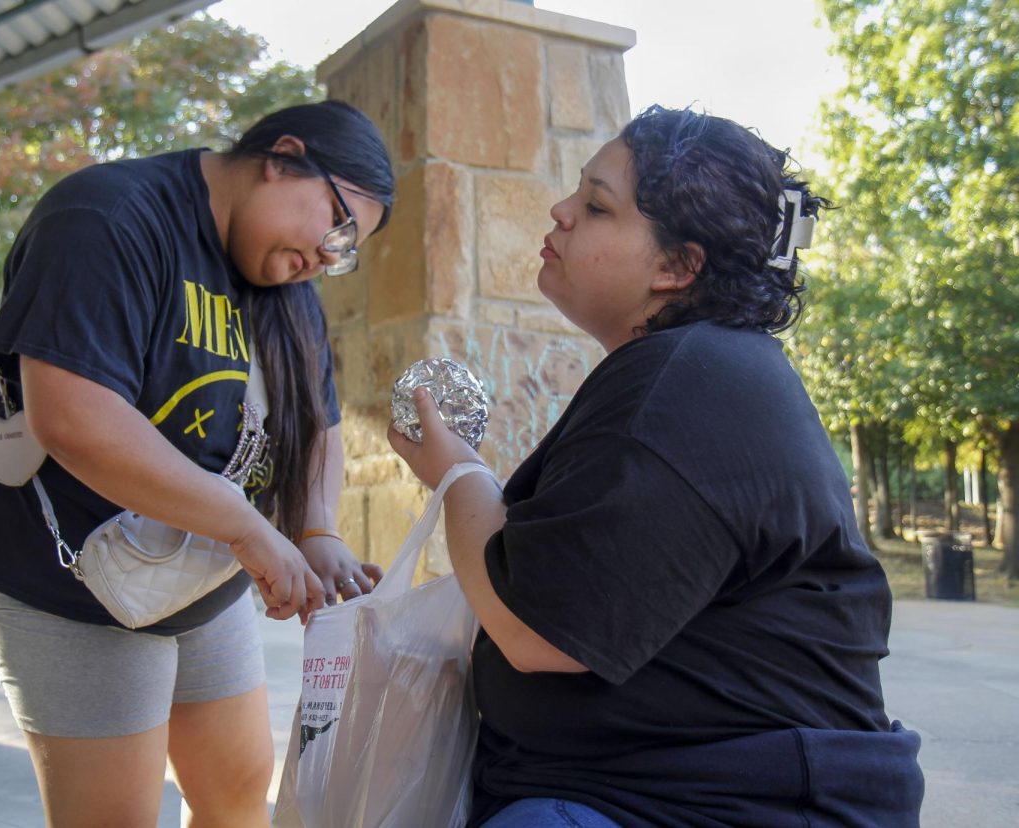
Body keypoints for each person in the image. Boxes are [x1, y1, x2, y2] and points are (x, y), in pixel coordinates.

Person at [389, 105, 924, 827]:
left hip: (714, 806)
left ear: (677, 266)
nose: (560, 211)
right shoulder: (693, 369)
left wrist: (458, 475)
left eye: (596, 205)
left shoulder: (690, 384)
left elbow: (537, 631)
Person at [0, 99, 393, 827]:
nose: (328, 258)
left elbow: (319, 426)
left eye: (347, 251)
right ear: (282, 158)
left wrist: (316, 531)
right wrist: (249, 530)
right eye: (337, 225)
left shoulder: (287, 287)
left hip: (194, 567)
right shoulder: (106, 218)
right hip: (67, 578)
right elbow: (73, 418)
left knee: (240, 791)